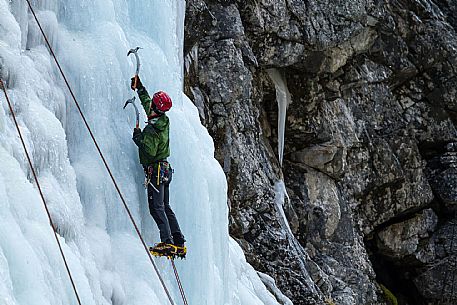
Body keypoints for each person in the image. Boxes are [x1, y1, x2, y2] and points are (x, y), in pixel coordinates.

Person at [130, 75, 186, 257]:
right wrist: (140, 87)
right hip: (165, 170)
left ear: (156, 106)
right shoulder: (162, 120)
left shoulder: (153, 129)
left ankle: (167, 242)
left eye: (153, 103)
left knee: (156, 207)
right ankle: (178, 241)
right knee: (165, 206)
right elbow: (148, 106)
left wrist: (138, 137)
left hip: (155, 170)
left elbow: (150, 150)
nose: (150, 105)